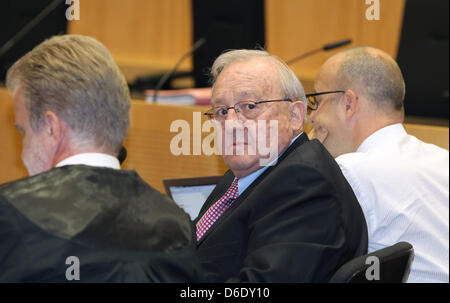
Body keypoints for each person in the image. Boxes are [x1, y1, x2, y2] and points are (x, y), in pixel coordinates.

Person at [0, 34, 202, 282]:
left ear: (52, 128)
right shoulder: (178, 228)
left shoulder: (9, 212)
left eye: (24, 132)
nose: (22, 152)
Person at [194, 49, 368, 282]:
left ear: (295, 116)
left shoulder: (305, 184)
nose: (231, 123)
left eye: (250, 106)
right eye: (222, 111)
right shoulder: (248, 173)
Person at [308, 46, 449, 283]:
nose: (311, 118)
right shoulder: (442, 158)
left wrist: (309, 155)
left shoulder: (351, 170)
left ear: (348, 103)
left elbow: (305, 263)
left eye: (318, 101)